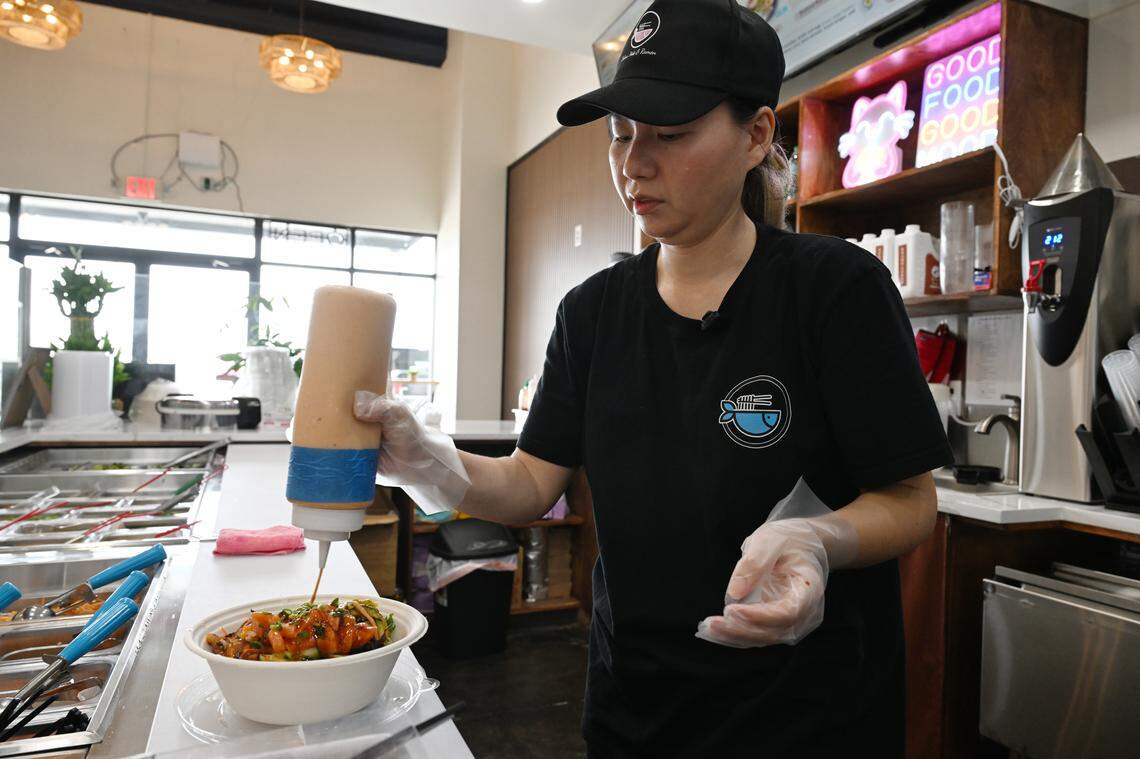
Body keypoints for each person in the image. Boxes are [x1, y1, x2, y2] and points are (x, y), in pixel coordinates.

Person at [354, 0, 952, 754]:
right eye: (621, 135)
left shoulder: (834, 290)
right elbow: (533, 482)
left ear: (757, 135)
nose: (635, 163)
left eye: (671, 133)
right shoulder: (593, 311)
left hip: (808, 714)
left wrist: (821, 538)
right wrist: (433, 465)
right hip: (634, 711)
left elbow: (910, 499)